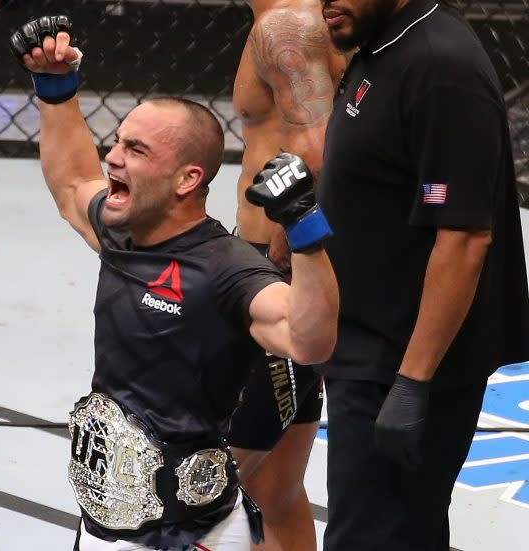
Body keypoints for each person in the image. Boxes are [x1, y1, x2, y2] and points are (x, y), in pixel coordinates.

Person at [9, 15, 340, 551]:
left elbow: (311, 341)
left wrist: (305, 230)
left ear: (188, 178)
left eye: (135, 150)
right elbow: (72, 182)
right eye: (117, 143)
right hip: (108, 524)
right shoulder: (123, 234)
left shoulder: (226, 269)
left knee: (277, 487)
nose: (112, 157)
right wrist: (55, 88)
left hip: (189, 531)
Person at [315, 0, 529, 549]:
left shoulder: (441, 68)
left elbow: (463, 236)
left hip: (403, 365)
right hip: (366, 347)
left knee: (374, 537)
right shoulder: (382, 43)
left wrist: (412, 384)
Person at [228, 1, 348, 550]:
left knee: (215, 471)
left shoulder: (288, 23)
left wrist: (281, 260)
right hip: (273, 255)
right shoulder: (280, 15)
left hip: (274, 261)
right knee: (274, 487)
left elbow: (317, 156)